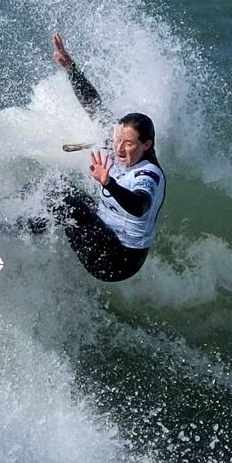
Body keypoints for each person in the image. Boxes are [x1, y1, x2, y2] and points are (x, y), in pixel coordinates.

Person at [34, 32, 168, 282]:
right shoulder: (118, 146)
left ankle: (8, 229)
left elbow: (139, 205)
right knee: (59, 183)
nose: (119, 149)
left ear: (146, 144)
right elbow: (93, 104)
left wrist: (109, 183)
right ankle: (18, 214)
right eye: (118, 141)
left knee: (62, 196)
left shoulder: (149, 174)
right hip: (106, 234)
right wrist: (70, 67)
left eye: (128, 144)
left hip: (118, 260)